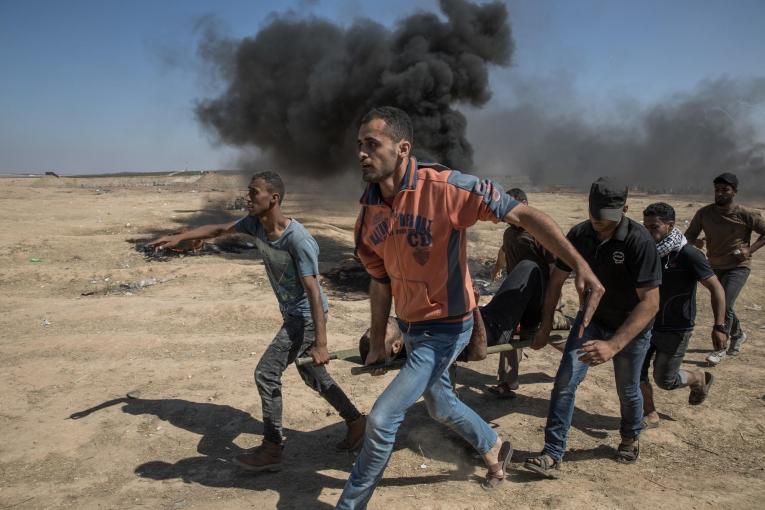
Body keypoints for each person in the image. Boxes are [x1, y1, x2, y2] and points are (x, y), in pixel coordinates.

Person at [337, 106, 603, 508]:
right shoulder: (369, 213)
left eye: (372, 144)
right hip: (410, 326)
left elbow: (525, 214)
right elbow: (380, 281)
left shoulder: (447, 187)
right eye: (359, 145)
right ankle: (494, 445)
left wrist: (580, 265)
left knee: (382, 418)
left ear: (403, 148)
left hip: (447, 327)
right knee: (441, 405)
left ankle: (349, 505)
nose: (361, 153)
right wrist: (378, 340)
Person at [150, 171, 365, 472]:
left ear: (273, 198)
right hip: (292, 314)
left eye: (253, 193)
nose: (247, 198)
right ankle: (357, 422)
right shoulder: (257, 225)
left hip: (305, 317)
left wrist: (321, 342)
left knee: (266, 373)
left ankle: (272, 448)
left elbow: (314, 291)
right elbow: (219, 229)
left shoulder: (297, 239)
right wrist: (181, 236)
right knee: (311, 374)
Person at [524, 177, 661, 479]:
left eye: (607, 217)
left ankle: (629, 436)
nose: (599, 223)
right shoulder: (580, 235)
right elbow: (556, 282)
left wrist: (613, 346)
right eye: (594, 214)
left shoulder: (639, 242)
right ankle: (552, 453)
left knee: (627, 389)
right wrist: (546, 324)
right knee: (564, 382)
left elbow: (650, 304)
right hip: (591, 321)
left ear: (625, 208)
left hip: (630, 326)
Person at [640, 202, 727, 428]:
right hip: (644, 323)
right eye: (645, 226)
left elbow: (716, 289)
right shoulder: (644, 251)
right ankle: (650, 414)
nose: (649, 231)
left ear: (670, 226)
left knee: (665, 380)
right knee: (635, 372)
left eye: (654, 227)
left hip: (676, 327)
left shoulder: (689, 254)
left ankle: (698, 378)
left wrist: (719, 326)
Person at [684, 172, 765, 364]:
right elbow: (688, 236)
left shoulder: (744, 214)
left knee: (724, 304)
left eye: (725, 190)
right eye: (717, 190)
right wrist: (697, 242)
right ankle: (738, 334)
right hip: (714, 266)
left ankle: (719, 347)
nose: (720, 193)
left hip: (738, 267)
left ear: (734, 192)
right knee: (722, 304)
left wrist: (750, 249)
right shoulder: (704, 213)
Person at [487, 188, 558, 398]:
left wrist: (552, 302)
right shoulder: (510, 232)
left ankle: (579, 354)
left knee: (554, 335)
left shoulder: (539, 233)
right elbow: (504, 249)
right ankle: (507, 383)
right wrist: (497, 266)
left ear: (524, 207)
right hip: (516, 296)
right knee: (507, 332)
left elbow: (555, 268)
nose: (507, 216)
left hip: (537, 296)